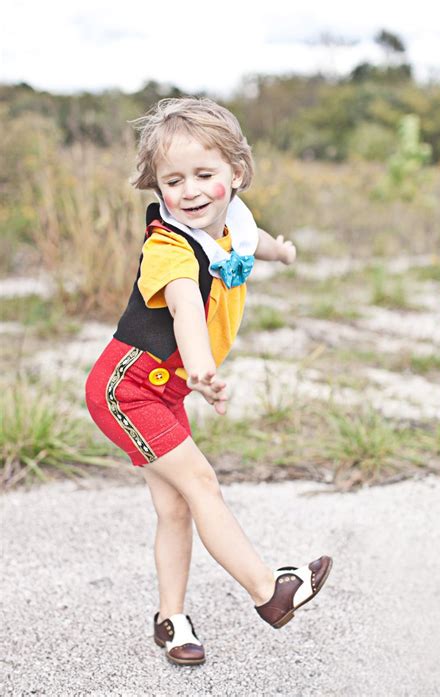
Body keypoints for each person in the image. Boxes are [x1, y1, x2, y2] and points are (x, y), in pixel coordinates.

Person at [85, 97, 332, 666]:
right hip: (127, 389)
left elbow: (254, 240)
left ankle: (171, 621)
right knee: (201, 484)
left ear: (235, 174)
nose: (190, 191)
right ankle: (270, 591)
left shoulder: (234, 222)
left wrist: (283, 253)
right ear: (158, 187)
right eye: (173, 181)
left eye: (205, 175)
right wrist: (201, 369)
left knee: (174, 508)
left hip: (158, 390)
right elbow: (184, 310)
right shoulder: (170, 246)